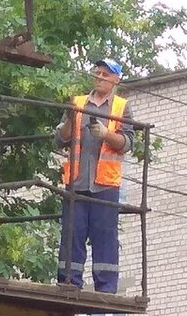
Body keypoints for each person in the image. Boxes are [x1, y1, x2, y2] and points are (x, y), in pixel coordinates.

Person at [55, 58, 135, 293]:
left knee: (105, 235)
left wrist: (106, 135)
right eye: (97, 73)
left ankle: (106, 286)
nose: (100, 77)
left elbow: (127, 143)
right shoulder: (78, 103)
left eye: (105, 75)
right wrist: (70, 118)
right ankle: (69, 282)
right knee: (72, 234)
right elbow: (61, 139)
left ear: (115, 80)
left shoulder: (121, 107)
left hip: (105, 183)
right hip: (77, 182)